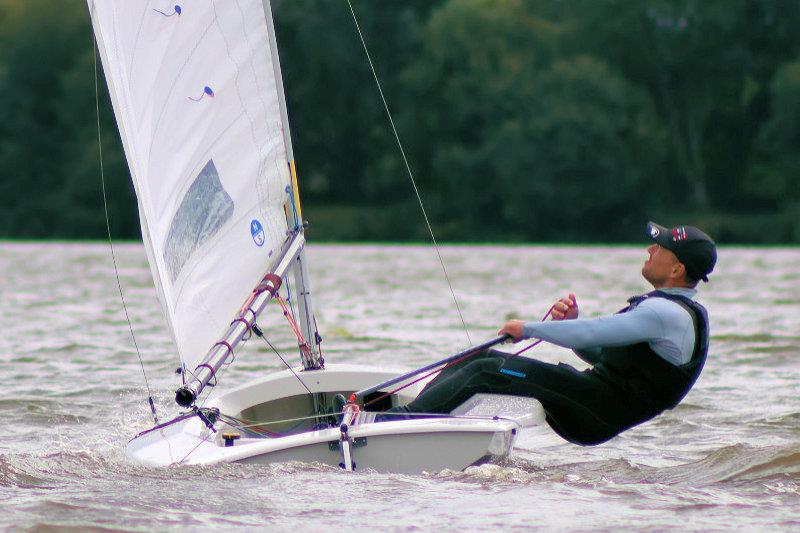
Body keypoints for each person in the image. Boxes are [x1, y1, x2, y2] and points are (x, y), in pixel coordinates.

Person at [380, 221, 717, 445]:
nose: (649, 250)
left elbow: (592, 332)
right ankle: (415, 421)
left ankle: (395, 427)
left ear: (677, 269)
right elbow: (601, 354)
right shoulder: (668, 309)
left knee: (486, 371)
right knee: (480, 358)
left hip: (596, 411)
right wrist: (566, 322)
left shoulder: (666, 313)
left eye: (659, 248)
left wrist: (528, 329)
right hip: (592, 398)